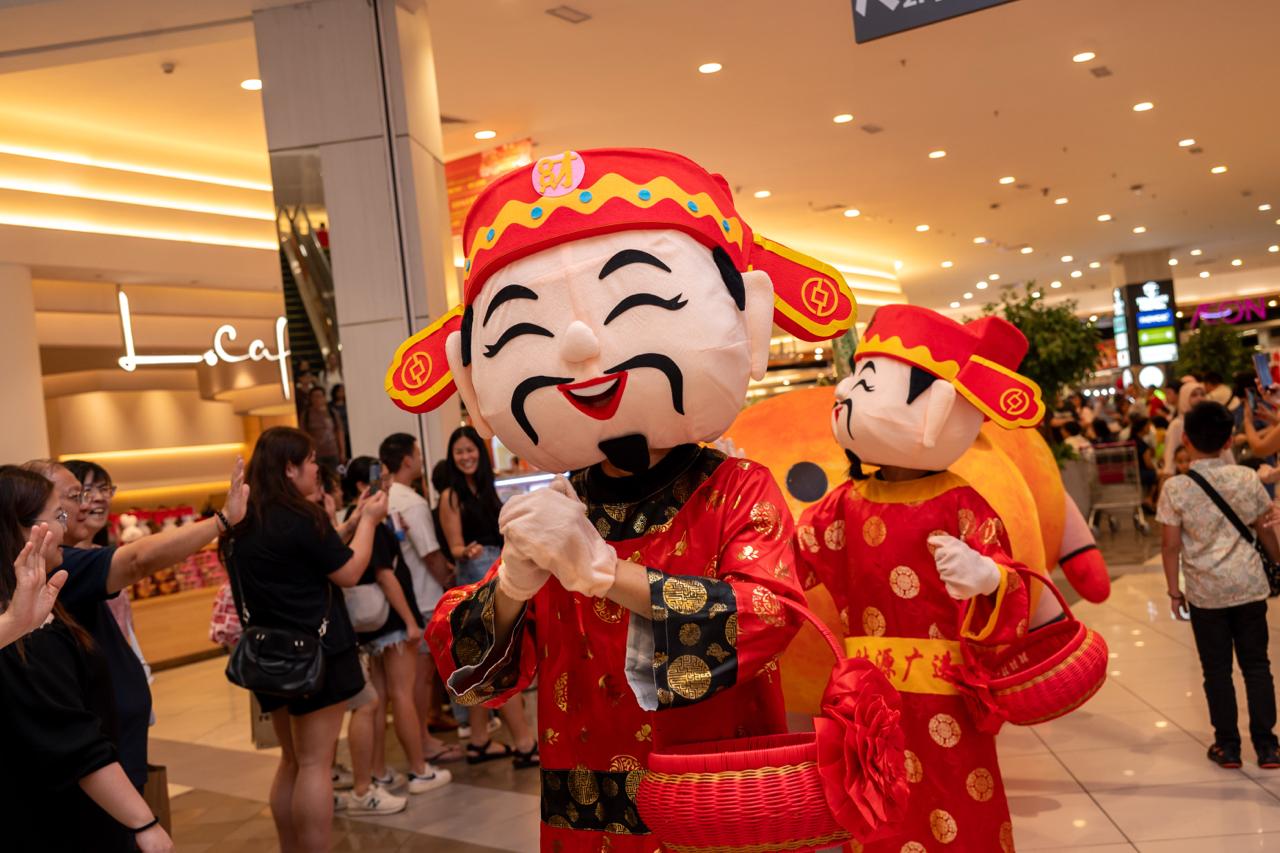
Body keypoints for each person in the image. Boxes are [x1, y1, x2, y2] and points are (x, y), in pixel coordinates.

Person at [390, 147, 892, 851]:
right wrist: (510, 585)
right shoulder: (559, 503)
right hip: (581, 808)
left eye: (640, 304)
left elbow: (765, 614)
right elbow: (469, 669)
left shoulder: (733, 487)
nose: (575, 344)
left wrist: (606, 575)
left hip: (709, 797)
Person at [22, 457, 247, 792]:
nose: (87, 503)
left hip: (114, 738)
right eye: (74, 496)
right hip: (99, 750)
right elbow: (138, 561)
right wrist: (223, 520)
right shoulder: (54, 566)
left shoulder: (71, 557)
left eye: (99, 491)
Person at [222, 427, 388, 853]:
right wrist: (368, 522)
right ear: (290, 467)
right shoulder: (301, 517)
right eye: (311, 460)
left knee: (292, 760)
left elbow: (311, 560)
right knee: (316, 763)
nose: (318, 468)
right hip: (319, 654)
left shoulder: (242, 521)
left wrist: (346, 523)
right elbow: (348, 572)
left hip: (269, 655)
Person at [0, 468, 174, 852]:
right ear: (25, 530)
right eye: (58, 515)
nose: (68, 524)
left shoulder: (36, 606)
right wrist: (143, 824)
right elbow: (72, 743)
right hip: (61, 819)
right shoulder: (24, 630)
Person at [1157, 401, 1280, 770]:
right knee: (1257, 665)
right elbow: (1265, 530)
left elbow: (1170, 545)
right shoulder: (1247, 478)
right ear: (1229, 440)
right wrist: (1277, 562)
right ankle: (1268, 746)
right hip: (1249, 587)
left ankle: (1228, 746)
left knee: (1216, 670)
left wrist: (1173, 590)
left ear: (1188, 440)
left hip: (1206, 594)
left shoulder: (1175, 489)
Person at [335, 459, 456, 817]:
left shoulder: (352, 522)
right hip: (390, 619)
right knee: (401, 694)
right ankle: (419, 769)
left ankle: (377, 771)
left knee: (379, 697)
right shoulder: (372, 523)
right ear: (362, 486)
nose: (387, 486)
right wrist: (410, 621)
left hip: (368, 623)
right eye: (381, 479)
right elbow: (387, 575)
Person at [436, 426, 538, 767]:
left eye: (470, 450)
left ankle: (479, 741)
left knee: (477, 663)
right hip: (475, 576)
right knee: (497, 662)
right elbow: (453, 547)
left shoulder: (486, 486)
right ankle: (525, 743)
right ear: (452, 457)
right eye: (459, 452)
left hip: (496, 568)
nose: (466, 457)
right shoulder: (451, 495)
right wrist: (466, 550)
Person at [379, 433, 457, 765]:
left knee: (408, 678)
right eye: (416, 453)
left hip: (399, 597)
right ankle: (423, 740)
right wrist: (450, 581)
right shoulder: (411, 501)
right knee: (421, 676)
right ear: (408, 460)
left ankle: (423, 735)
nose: (420, 459)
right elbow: (431, 555)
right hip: (423, 597)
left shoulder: (385, 498)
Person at [63, 460, 154, 691]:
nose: (99, 497)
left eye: (104, 489)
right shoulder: (63, 564)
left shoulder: (103, 556)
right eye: (86, 490)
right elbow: (138, 560)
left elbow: (124, 628)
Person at [300, 385, 347, 469]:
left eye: (320, 396)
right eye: (314, 396)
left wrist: (342, 452)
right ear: (310, 398)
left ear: (324, 397)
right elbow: (303, 434)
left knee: (335, 477)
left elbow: (339, 432)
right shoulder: (306, 414)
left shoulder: (332, 412)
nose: (317, 399)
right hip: (316, 453)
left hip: (333, 452)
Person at [330, 384, 352, 462]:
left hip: (349, 431)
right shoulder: (330, 406)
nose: (342, 393)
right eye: (339, 391)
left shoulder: (349, 403)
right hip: (338, 432)